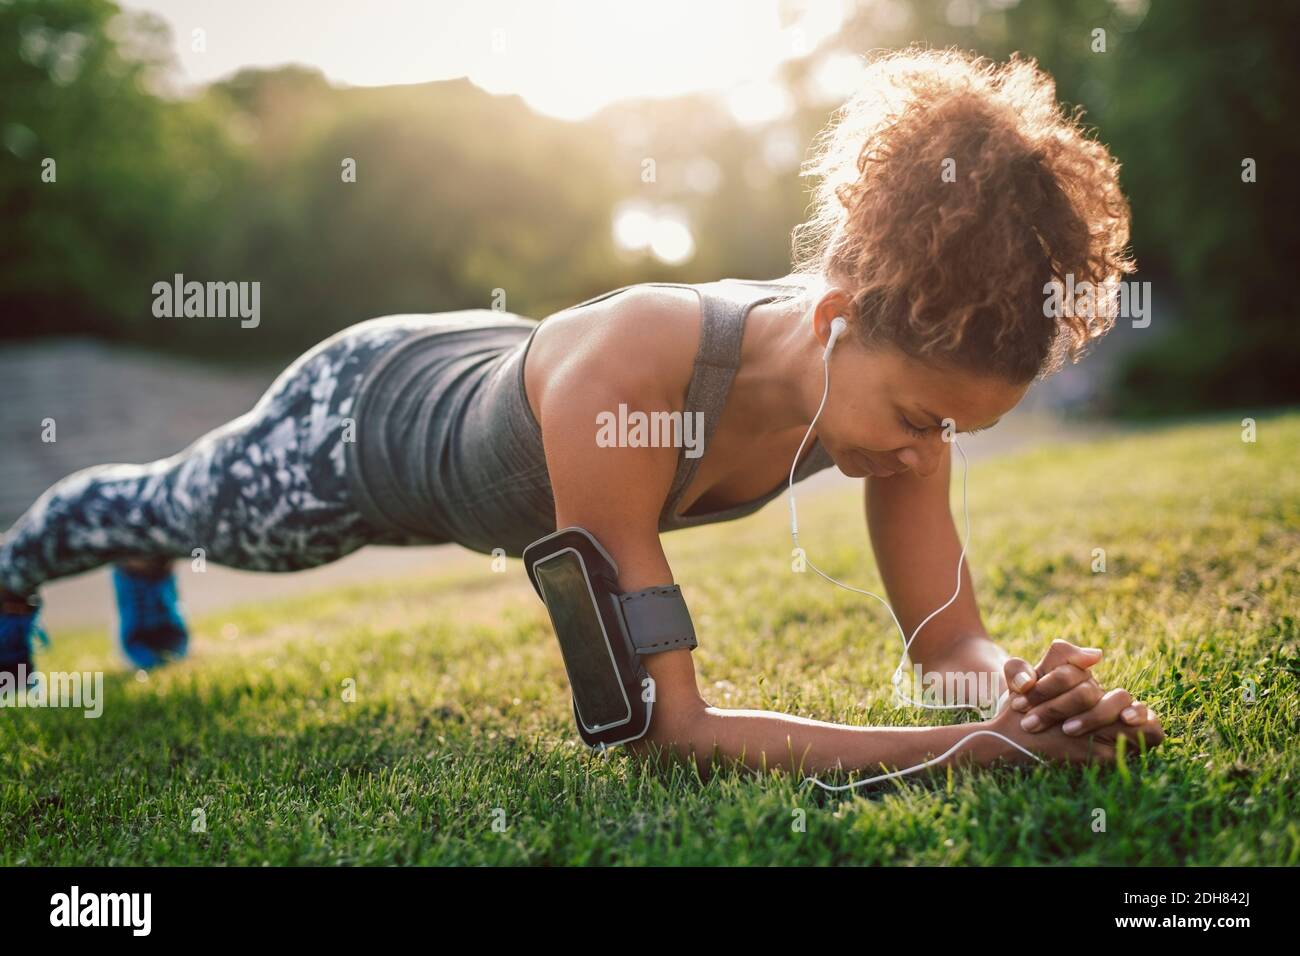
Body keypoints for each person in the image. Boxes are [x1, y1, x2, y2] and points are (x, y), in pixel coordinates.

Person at [0, 47, 1163, 777]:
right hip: (361, 423)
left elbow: (945, 644)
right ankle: (30, 562)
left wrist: (1019, 690)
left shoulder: (899, 396)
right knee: (195, 508)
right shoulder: (637, 371)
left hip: (489, 370)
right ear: (834, 319)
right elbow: (660, 731)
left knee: (188, 512)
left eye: (954, 431)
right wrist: (974, 751)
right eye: (918, 416)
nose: (926, 454)